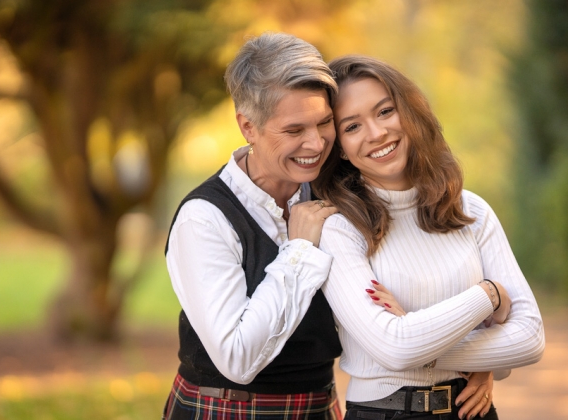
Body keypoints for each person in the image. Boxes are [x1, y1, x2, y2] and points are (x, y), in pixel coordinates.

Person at [313, 55, 545, 420]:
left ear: (408, 112)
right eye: (353, 126)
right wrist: (490, 295)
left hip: (470, 410)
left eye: (385, 111)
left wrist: (418, 335)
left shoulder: (471, 210)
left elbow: (530, 338)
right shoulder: (341, 229)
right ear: (340, 146)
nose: (376, 133)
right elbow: (393, 348)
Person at [162, 33, 343, 419]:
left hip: (318, 406)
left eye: (325, 123)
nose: (316, 144)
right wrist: (300, 251)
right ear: (248, 126)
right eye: (294, 131)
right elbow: (237, 358)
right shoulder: (204, 218)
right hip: (225, 410)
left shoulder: (334, 191)